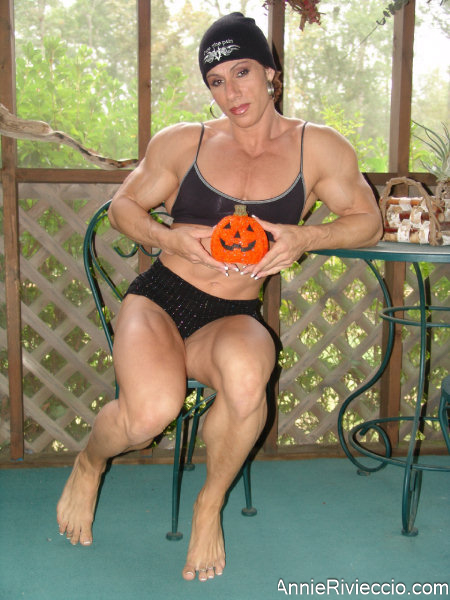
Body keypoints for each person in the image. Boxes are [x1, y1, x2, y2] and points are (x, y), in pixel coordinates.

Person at [57, 12, 382, 582]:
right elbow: (123, 207)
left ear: (270, 72)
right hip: (161, 300)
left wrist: (305, 237)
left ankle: (209, 505)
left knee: (249, 378)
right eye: (216, 80)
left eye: (242, 72)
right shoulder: (184, 141)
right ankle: (89, 463)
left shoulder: (318, 148)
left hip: (233, 314)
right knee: (149, 413)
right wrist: (168, 236)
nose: (231, 92)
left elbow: (368, 222)